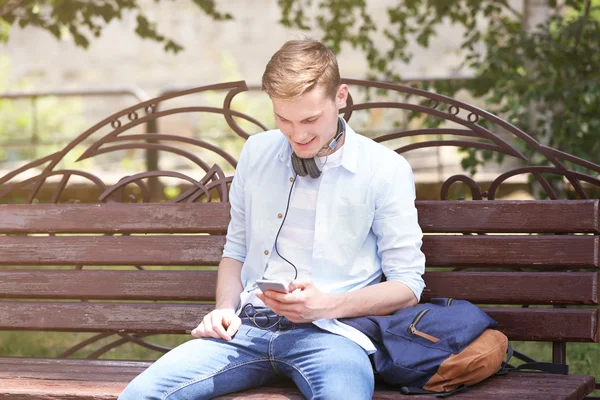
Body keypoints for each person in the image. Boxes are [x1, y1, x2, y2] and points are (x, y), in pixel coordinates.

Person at [119, 39, 426, 400]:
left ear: (340, 97)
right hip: (244, 331)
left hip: (332, 336)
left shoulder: (385, 169)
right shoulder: (256, 153)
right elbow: (236, 250)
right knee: (139, 395)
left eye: (311, 119)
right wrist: (223, 309)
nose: (298, 135)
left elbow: (407, 286)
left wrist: (328, 305)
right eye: (284, 119)